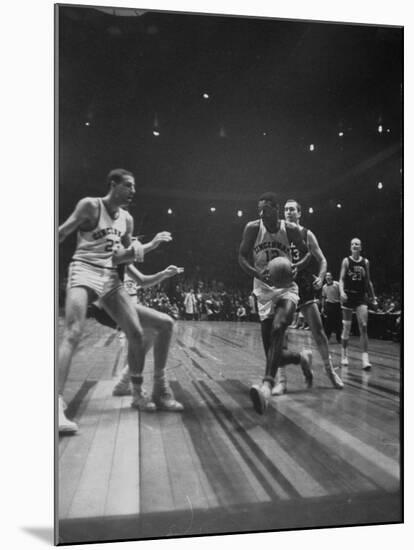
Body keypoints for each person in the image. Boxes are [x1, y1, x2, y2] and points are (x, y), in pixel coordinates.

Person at [58, 168, 175, 433]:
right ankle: (55, 405)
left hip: (110, 277)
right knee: (73, 332)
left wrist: (139, 249)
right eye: (129, 185)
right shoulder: (90, 206)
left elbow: (120, 257)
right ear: (113, 184)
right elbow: (63, 232)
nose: (134, 191)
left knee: (135, 332)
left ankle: (135, 392)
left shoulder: (128, 220)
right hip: (84, 268)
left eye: (135, 187)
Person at [238, 192, 313, 415]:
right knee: (273, 352)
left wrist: (298, 265)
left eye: (266, 209)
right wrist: (257, 273)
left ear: (276, 209)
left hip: (286, 288)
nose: (261, 213)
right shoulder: (252, 228)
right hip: (263, 290)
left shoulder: (289, 229)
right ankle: (301, 357)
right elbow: (241, 257)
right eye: (259, 209)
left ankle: (266, 386)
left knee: (279, 327)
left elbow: (308, 253)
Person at [273, 200, 343, 395]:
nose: (288, 212)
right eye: (286, 209)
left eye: (292, 209)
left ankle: (330, 372)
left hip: (303, 284)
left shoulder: (306, 234)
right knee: (281, 332)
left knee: (318, 332)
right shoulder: (278, 232)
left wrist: (321, 277)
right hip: (284, 286)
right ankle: (282, 380)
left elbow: (322, 259)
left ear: (299, 213)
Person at [88, 263, 184, 402]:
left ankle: (124, 383)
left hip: (111, 306)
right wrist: (149, 246)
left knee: (151, 333)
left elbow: (143, 280)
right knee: (164, 325)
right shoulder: (112, 252)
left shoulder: (123, 259)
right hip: (109, 305)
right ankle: (157, 390)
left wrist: (164, 273)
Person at [339, 237, 378, 369]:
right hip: (348, 296)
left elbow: (368, 281)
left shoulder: (365, 262)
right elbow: (341, 279)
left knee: (364, 325)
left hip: (361, 297)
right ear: (350, 247)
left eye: (357, 244)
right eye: (353, 244)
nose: (355, 246)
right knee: (347, 328)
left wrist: (374, 298)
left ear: (361, 247)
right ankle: (344, 355)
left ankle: (365, 359)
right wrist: (342, 292)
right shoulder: (346, 261)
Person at [321, 272, 342, 343]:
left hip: (337, 305)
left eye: (329, 275)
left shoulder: (337, 284)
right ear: (325, 278)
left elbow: (341, 294)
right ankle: (327, 338)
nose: (328, 277)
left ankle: (339, 338)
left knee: (339, 323)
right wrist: (323, 307)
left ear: (332, 277)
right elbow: (323, 297)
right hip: (329, 305)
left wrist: (342, 303)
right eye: (326, 276)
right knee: (328, 323)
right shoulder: (324, 287)